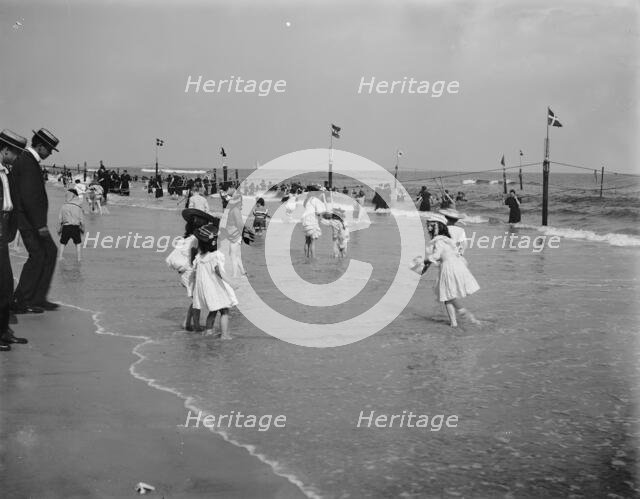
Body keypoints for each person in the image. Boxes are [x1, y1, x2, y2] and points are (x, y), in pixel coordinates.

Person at [10, 128, 60, 314]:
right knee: (39, 255)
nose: (49, 154)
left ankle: (35, 298)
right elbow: (30, 196)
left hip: (28, 220)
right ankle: (23, 299)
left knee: (45, 253)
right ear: (41, 146)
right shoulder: (28, 162)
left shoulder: (26, 160)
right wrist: (40, 225)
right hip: (30, 221)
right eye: (49, 150)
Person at [423, 213, 480, 328]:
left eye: (430, 226)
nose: (428, 228)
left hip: (448, 267)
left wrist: (426, 260)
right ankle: (454, 322)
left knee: (448, 295)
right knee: (447, 296)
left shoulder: (438, 241)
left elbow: (437, 255)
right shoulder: (446, 239)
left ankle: (466, 314)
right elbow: (461, 247)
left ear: (436, 226)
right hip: (457, 265)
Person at [0, 130, 29, 351]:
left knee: (6, 284)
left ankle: (3, 331)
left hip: (4, 230)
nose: (17, 158)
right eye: (16, 154)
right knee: (3, 284)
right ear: (6, 150)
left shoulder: (5, 171)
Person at [166, 208, 217, 332]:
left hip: (185, 273)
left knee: (195, 299)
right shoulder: (196, 239)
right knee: (196, 300)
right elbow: (195, 258)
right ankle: (196, 326)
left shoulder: (188, 236)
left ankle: (187, 323)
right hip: (190, 272)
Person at [192, 222, 237, 339]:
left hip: (207, 289)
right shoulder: (215, 256)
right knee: (225, 311)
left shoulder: (199, 257)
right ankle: (225, 334)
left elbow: (196, 273)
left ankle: (208, 331)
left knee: (213, 311)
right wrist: (231, 282)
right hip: (216, 289)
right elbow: (219, 271)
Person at [222, 190, 246, 277]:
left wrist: (242, 236)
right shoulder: (234, 209)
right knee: (234, 254)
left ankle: (235, 275)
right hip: (234, 236)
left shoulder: (235, 210)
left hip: (236, 236)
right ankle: (243, 272)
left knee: (232, 255)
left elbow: (240, 224)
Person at [58, 189, 84, 262]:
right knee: (78, 244)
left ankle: (60, 257)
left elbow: (60, 219)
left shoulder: (64, 206)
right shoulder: (78, 207)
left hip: (66, 227)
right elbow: (82, 220)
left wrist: (59, 230)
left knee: (63, 243)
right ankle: (79, 258)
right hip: (76, 227)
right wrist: (83, 229)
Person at [301, 187, 327, 258]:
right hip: (311, 220)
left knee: (307, 240)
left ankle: (306, 256)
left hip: (304, 220)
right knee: (313, 242)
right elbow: (320, 212)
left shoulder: (307, 200)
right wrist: (321, 218)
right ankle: (313, 257)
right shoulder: (315, 200)